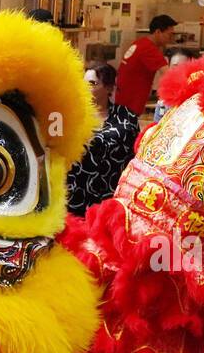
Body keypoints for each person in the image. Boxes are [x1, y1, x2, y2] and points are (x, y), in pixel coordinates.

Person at [66, 61, 139, 216]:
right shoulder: (70, 115)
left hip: (111, 195)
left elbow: (135, 154)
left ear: (108, 88)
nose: (86, 88)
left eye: (92, 83)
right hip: (75, 194)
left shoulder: (126, 117)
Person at [114, 14, 176, 115]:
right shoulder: (150, 50)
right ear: (158, 32)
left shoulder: (140, 43)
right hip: (131, 100)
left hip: (122, 97)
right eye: (169, 35)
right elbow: (169, 76)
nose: (171, 39)